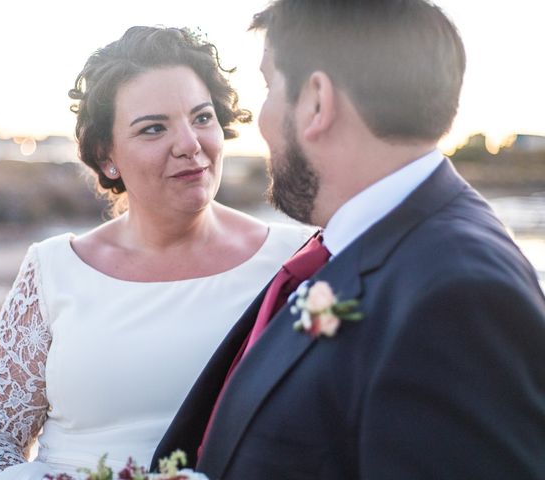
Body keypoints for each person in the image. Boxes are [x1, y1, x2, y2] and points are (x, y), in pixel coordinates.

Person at [152, 1, 545, 479]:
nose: (261, 118)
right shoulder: (352, 245)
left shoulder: (459, 295)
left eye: (269, 85)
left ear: (317, 101)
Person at [0, 26, 313, 480]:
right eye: (154, 128)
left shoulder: (295, 261)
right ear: (108, 156)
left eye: (202, 118)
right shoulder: (54, 268)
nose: (189, 144)